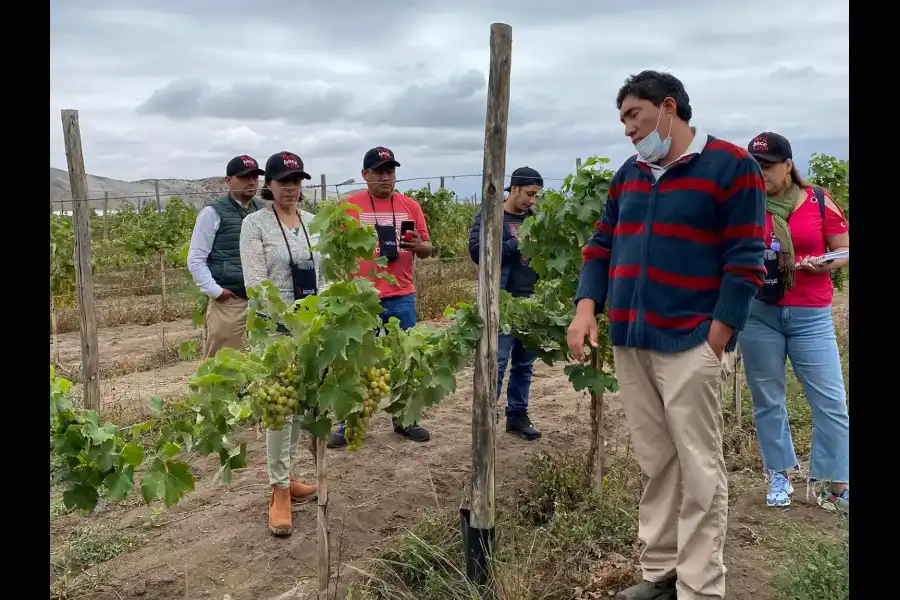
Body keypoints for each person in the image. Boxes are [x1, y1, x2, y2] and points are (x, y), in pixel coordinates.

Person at [566, 71, 767, 600]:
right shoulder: (629, 175)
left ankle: (700, 587)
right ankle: (659, 574)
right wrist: (586, 309)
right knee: (656, 462)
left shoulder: (730, 166)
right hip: (631, 341)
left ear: (668, 108)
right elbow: (601, 245)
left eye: (634, 115)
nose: (627, 130)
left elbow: (746, 258)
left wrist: (717, 336)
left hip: (690, 343)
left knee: (700, 467)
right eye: (623, 120)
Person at [741, 132, 850, 514]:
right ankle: (779, 473)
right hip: (759, 315)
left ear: (788, 165)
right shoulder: (745, 203)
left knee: (831, 401)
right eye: (754, 167)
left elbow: (843, 248)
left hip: (810, 315)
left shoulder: (817, 201)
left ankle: (834, 483)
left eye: (768, 166)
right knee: (768, 400)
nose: (761, 174)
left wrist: (824, 262)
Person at [239, 151, 323, 537]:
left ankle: (288, 477)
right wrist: (288, 320)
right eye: (283, 181)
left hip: (310, 329)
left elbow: (323, 274)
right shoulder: (254, 225)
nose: (291, 187)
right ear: (268, 185)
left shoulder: (311, 221)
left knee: (300, 404)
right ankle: (278, 491)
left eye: (296, 181)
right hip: (275, 333)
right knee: (279, 411)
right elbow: (256, 284)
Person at [327, 146, 432, 448]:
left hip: (401, 296)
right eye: (379, 172)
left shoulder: (410, 206)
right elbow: (335, 252)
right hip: (361, 300)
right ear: (365, 175)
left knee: (405, 361)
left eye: (391, 171)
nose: (387, 177)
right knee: (357, 362)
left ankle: (405, 419)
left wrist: (417, 246)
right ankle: (349, 422)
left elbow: (428, 249)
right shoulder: (350, 206)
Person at [468, 166, 543, 441]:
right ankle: (486, 419)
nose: (532, 201)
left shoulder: (536, 219)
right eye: (529, 194)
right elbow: (478, 253)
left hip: (531, 302)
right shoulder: (490, 216)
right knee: (496, 363)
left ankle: (517, 417)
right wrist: (517, 243)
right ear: (514, 189)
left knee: (524, 365)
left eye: (536, 196)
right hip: (501, 302)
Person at [187, 155, 266, 359]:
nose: (251, 182)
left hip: (260, 302)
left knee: (261, 364)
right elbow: (196, 257)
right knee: (223, 364)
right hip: (230, 302)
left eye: (255, 177)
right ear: (228, 180)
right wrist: (216, 292)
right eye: (244, 177)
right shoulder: (212, 212)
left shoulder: (262, 211)